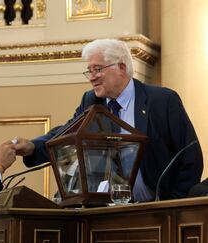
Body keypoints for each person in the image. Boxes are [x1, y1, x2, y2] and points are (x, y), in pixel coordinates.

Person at [12, 38, 203, 201]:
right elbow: (67, 133)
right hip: (110, 211)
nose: (92, 77)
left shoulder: (162, 101)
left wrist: (177, 204)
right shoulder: (92, 101)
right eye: (89, 71)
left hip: (160, 208)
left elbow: (190, 156)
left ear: (121, 67)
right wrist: (33, 147)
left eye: (97, 69)